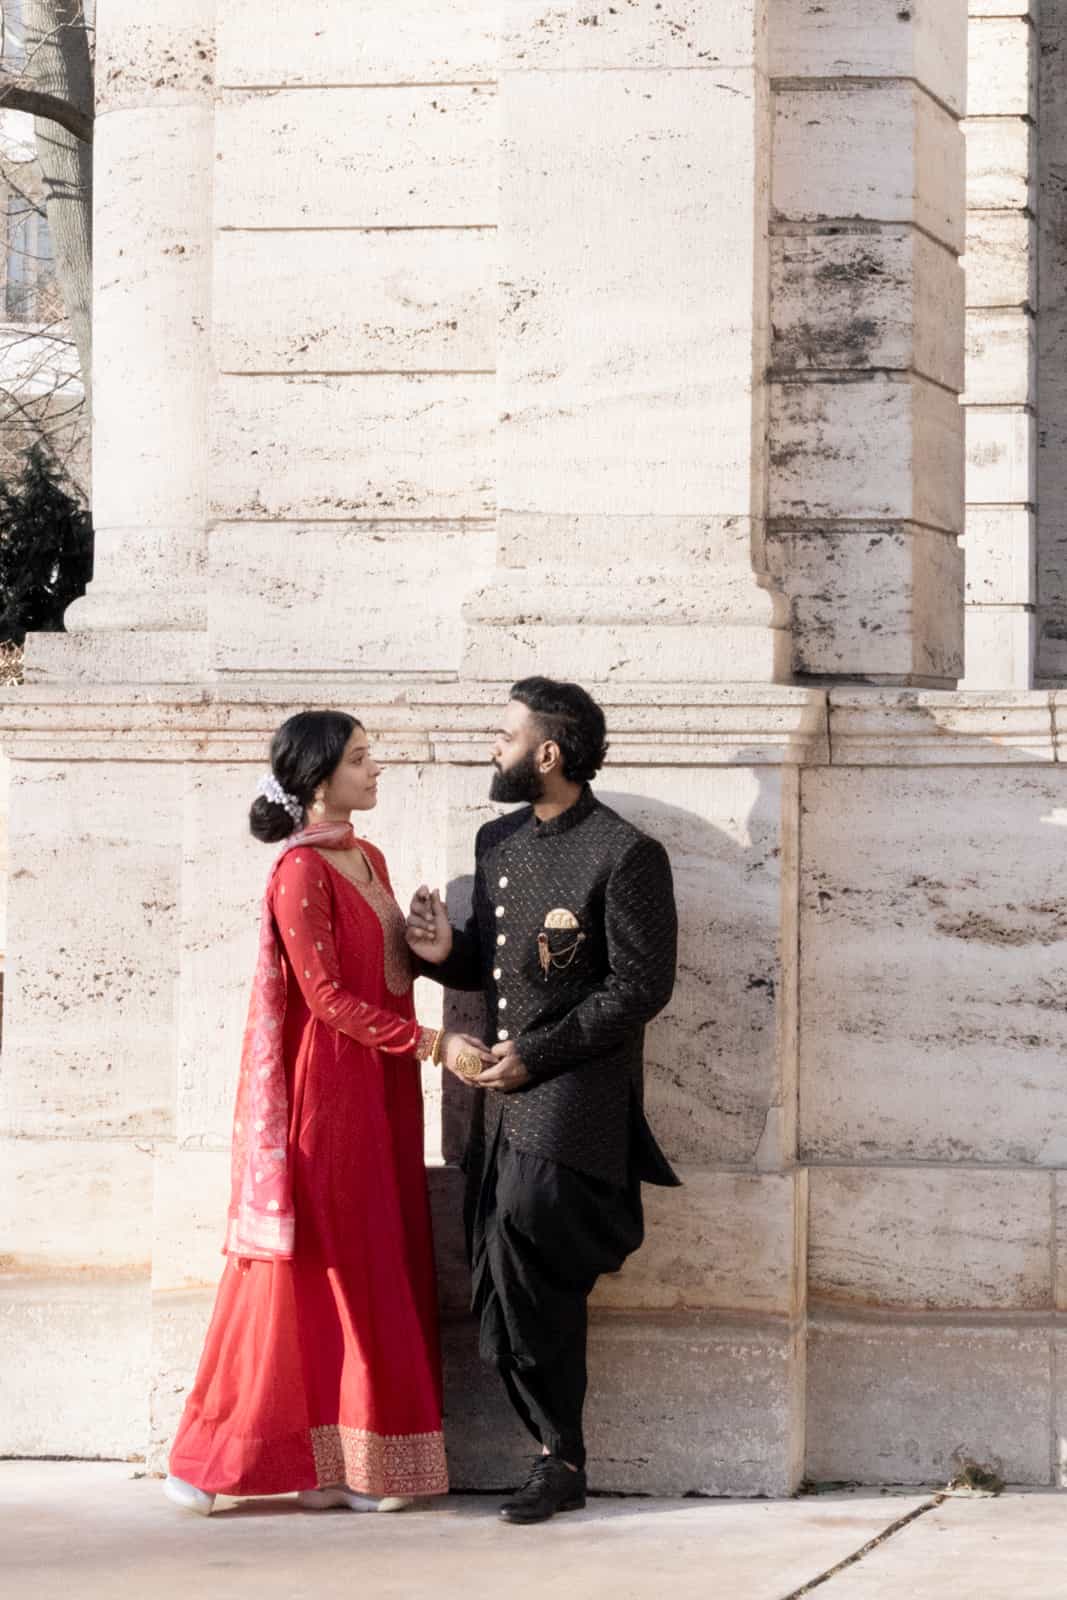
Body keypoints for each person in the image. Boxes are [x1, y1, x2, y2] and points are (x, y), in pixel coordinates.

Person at [165, 710, 493, 1515]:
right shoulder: (298, 874)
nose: (375, 768)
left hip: (379, 1091)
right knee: (323, 1268)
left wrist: (425, 948)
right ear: (318, 781)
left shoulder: (368, 858)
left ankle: (354, 1462)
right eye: (359, 758)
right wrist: (431, 1044)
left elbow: (377, 977)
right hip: (330, 1095)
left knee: (379, 1256)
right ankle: (220, 1457)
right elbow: (324, 1000)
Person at [407, 676, 679, 1525]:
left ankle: (561, 1457)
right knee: (499, 1273)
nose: (496, 746)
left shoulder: (626, 853)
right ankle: (554, 1452)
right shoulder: (497, 842)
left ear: (549, 754)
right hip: (494, 1098)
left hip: (574, 1098)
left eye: (507, 734)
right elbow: (488, 966)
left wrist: (538, 1053)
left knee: (532, 1249)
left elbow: (640, 987)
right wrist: (440, 950)